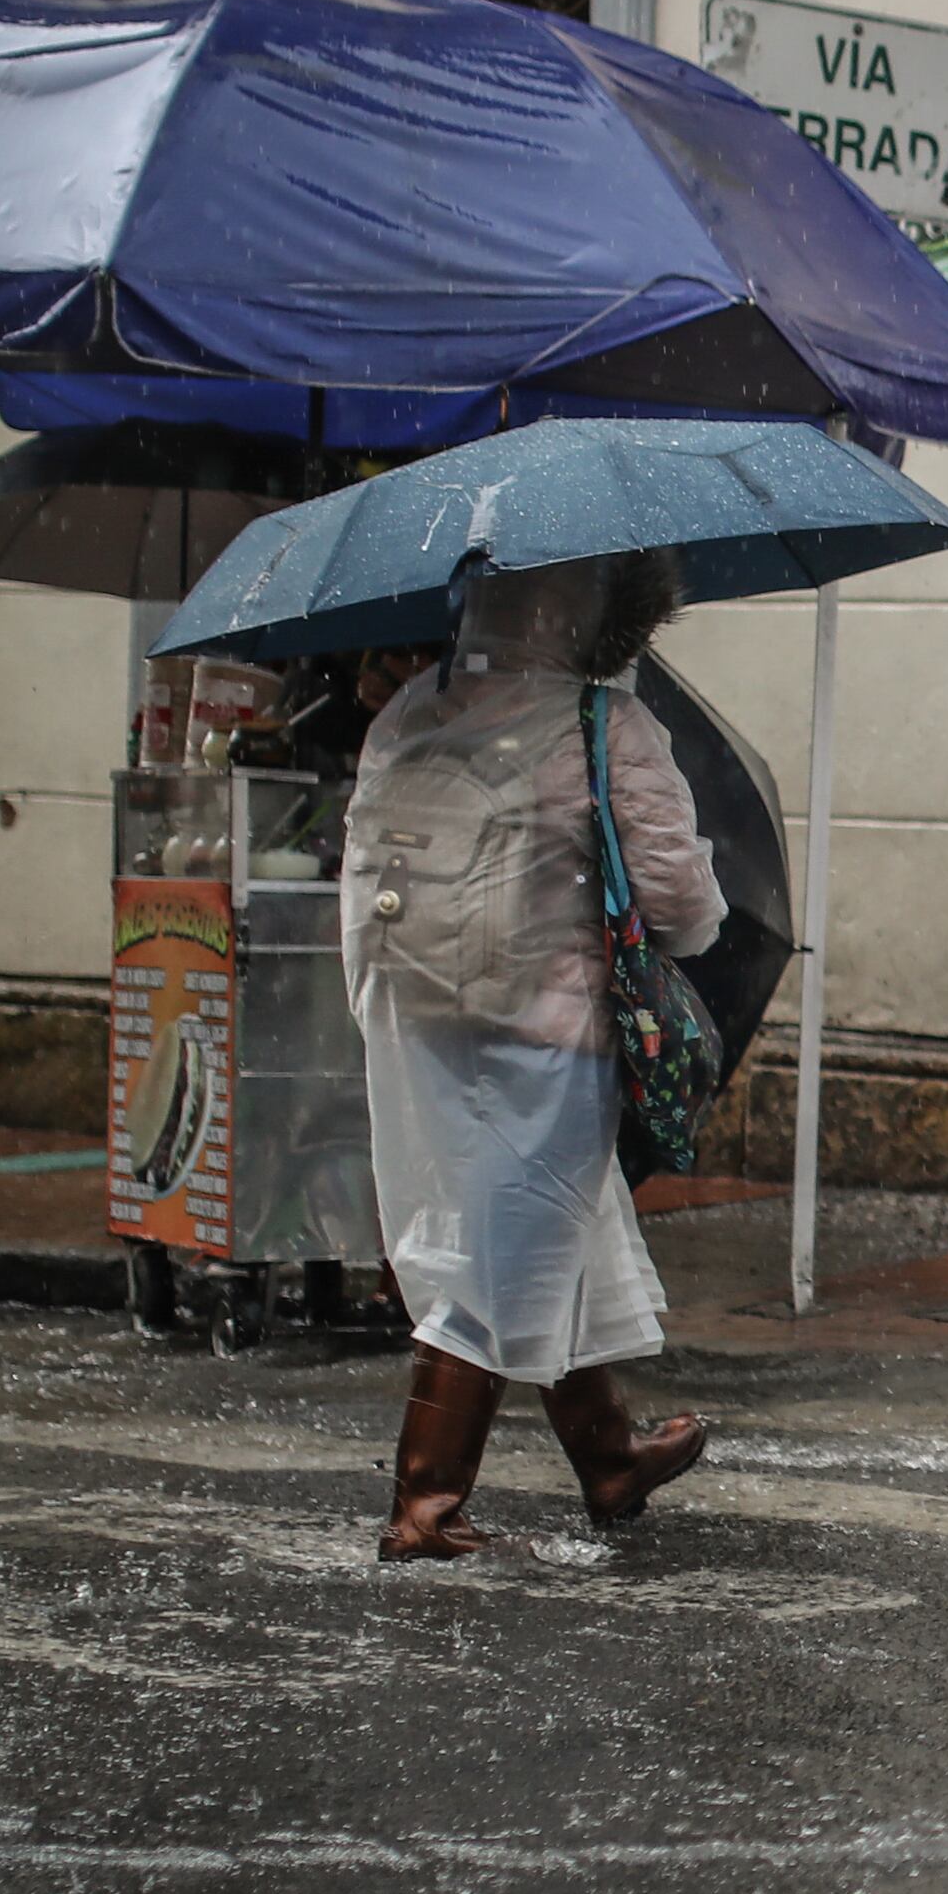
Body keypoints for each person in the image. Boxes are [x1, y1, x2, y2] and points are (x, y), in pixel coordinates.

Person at [341, 555, 723, 1561]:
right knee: (506, 1250)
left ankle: (607, 1457)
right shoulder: (601, 724)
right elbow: (678, 903)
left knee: (547, 1226)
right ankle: (424, 1507)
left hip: (422, 1013)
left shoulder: (411, 712)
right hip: (545, 1033)